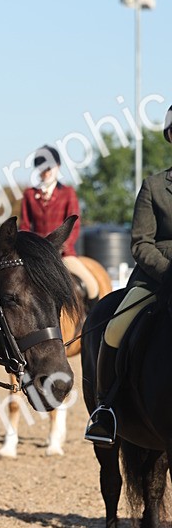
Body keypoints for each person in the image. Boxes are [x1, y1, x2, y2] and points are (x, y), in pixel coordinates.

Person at [85, 105, 172, 445]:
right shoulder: (155, 187)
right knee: (115, 328)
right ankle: (105, 409)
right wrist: (167, 272)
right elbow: (140, 243)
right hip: (156, 279)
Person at [20, 145, 99, 300]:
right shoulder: (29, 194)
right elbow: (24, 226)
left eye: (49, 168)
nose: (46, 172)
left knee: (92, 286)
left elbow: (74, 225)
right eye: (42, 168)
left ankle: (92, 314)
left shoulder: (68, 193)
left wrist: (62, 246)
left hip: (63, 253)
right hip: (37, 254)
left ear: (57, 167)